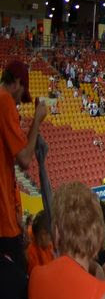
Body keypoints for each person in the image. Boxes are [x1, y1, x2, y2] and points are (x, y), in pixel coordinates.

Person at [1, 58, 47, 255]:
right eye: (22, 93)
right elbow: (25, 160)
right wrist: (37, 119)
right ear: (18, 82)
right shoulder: (4, 100)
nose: (19, 102)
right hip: (3, 222)